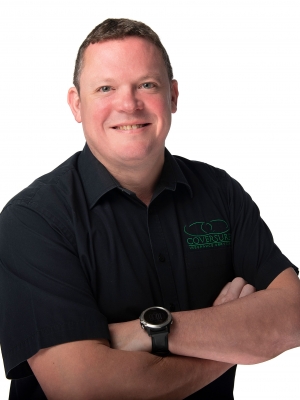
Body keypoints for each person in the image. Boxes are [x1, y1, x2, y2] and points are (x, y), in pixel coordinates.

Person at [0, 18, 299, 399]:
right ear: (77, 104)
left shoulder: (221, 193)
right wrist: (235, 342)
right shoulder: (33, 221)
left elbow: (292, 314)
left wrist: (142, 333)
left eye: (146, 85)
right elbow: (84, 389)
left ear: (173, 95)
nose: (128, 104)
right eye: (105, 88)